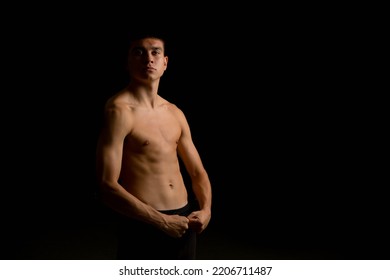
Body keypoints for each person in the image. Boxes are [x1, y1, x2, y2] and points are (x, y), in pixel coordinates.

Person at [95, 32, 212, 260]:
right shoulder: (119, 111)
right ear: (128, 62)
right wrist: (161, 221)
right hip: (143, 222)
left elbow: (198, 172)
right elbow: (106, 186)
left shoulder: (175, 112)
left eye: (155, 52)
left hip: (183, 221)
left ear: (165, 63)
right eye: (139, 52)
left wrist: (206, 210)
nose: (148, 58)